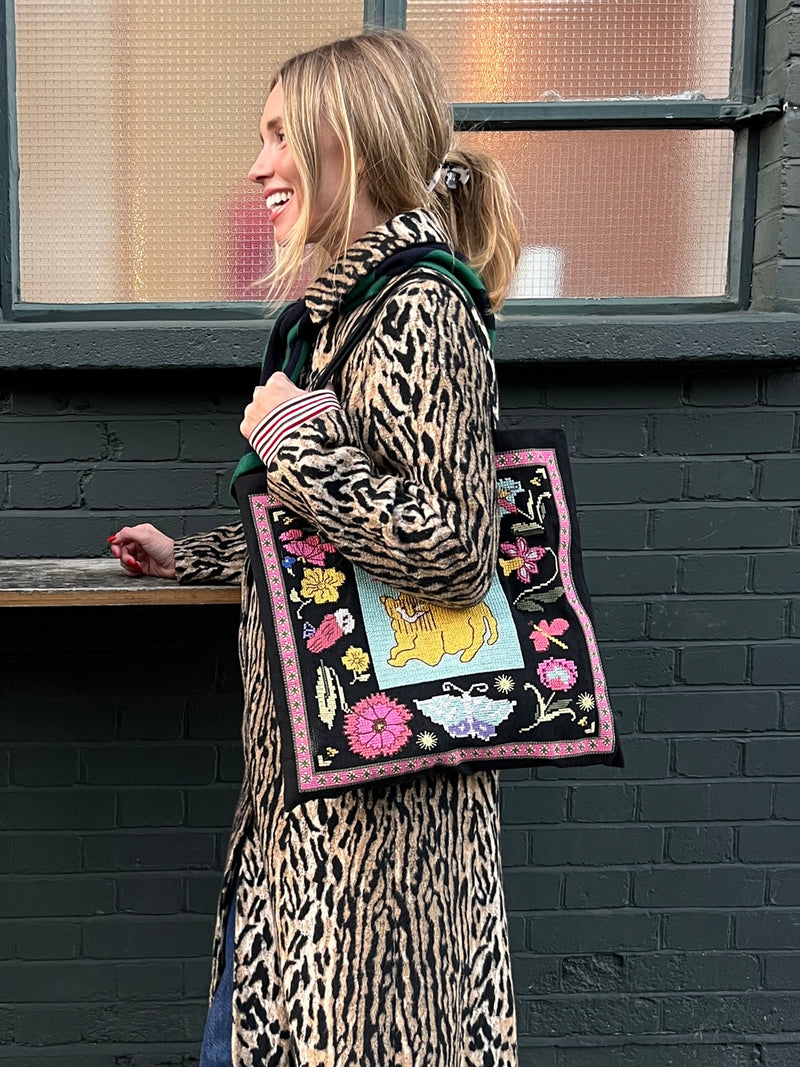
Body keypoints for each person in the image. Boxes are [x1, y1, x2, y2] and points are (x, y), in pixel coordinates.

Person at [109, 30, 520, 1067]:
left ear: (354, 141)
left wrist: (294, 437)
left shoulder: (420, 308)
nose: (259, 167)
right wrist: (190, 556)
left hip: (380, 825)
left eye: (280, 136)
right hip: (312, 795)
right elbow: (322, 541)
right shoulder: (340, 318)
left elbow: (453, 552)